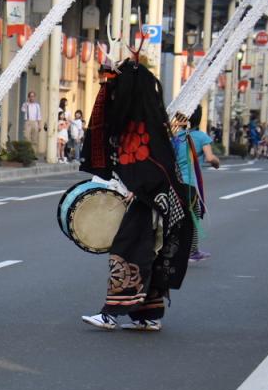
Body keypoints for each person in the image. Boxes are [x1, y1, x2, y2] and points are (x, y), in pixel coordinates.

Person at [79, 59, 193, 332]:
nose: (112, 95)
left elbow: (151, 167)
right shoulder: (147, 121)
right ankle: (148, 314)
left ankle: (111, 314)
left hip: (151, 199)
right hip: (155, 198)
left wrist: (137, 189)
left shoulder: (142, 126)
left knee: (128, 251)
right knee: (148, 253)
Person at [172, 106, 220, 263]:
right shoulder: (200, 137)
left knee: (177, 216)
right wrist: (217, 162)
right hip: (189, 184)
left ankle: (173, 248)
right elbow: (209, 158)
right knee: (194, 215)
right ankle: (192, 251)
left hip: (174, 183)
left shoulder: (176, 137)